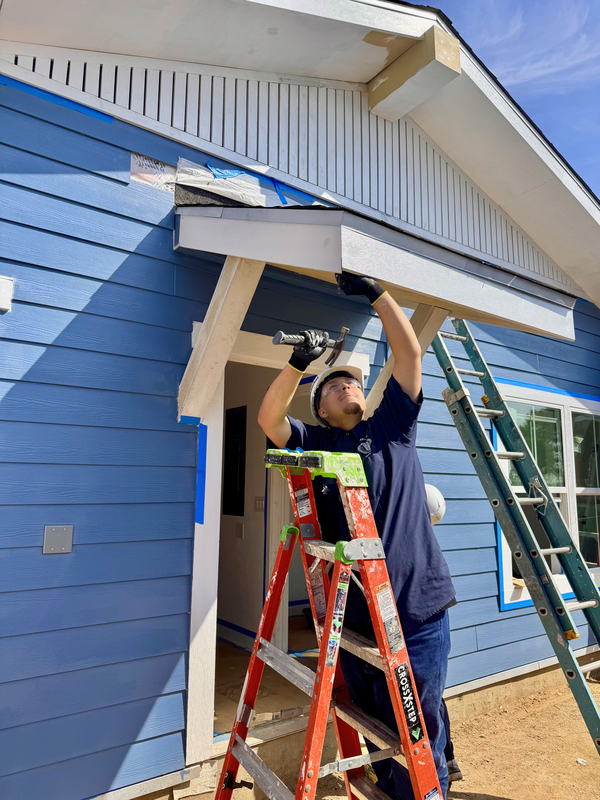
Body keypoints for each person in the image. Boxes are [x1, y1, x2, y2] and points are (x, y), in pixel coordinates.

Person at [258, 271, 457, 800]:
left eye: (352, 382)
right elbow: (270, 419)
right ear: (321, 410)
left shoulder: (393, 427)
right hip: (357, 620)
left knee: (420, 728)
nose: (348, 385)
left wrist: (376, 294)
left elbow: (409, 354)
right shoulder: (317, 442)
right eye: (334, 385)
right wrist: (298, 363)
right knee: (377, 729)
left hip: (416, 609)